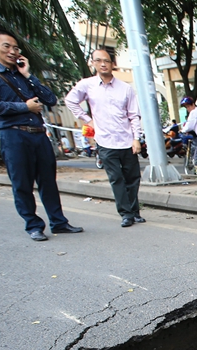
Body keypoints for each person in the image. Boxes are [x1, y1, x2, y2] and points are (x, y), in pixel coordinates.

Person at [0, 28, 82, 241]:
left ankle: (59, 222)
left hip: (39, 134)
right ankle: (33, 225)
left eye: (15, 48)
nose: (12, 51)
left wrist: (28, 75)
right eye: (7, 46)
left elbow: (50, 99)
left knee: (48, 181)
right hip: (14, 135)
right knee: (22, 183)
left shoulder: (22, 75)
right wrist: (25, 107)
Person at [66, 48, 145, 228]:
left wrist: (136, 138)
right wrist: (88, 120)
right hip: (105, 141)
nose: (103, 64)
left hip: (126, 140)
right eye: (99, 60)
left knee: (132, 178)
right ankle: (125, 214)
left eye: (107, 61)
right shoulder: (87, 85)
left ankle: (134, 211)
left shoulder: (125, 88)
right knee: (116, 178)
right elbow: (70, 101)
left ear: (112, 63)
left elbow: (134, 115)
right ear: (93, 63)